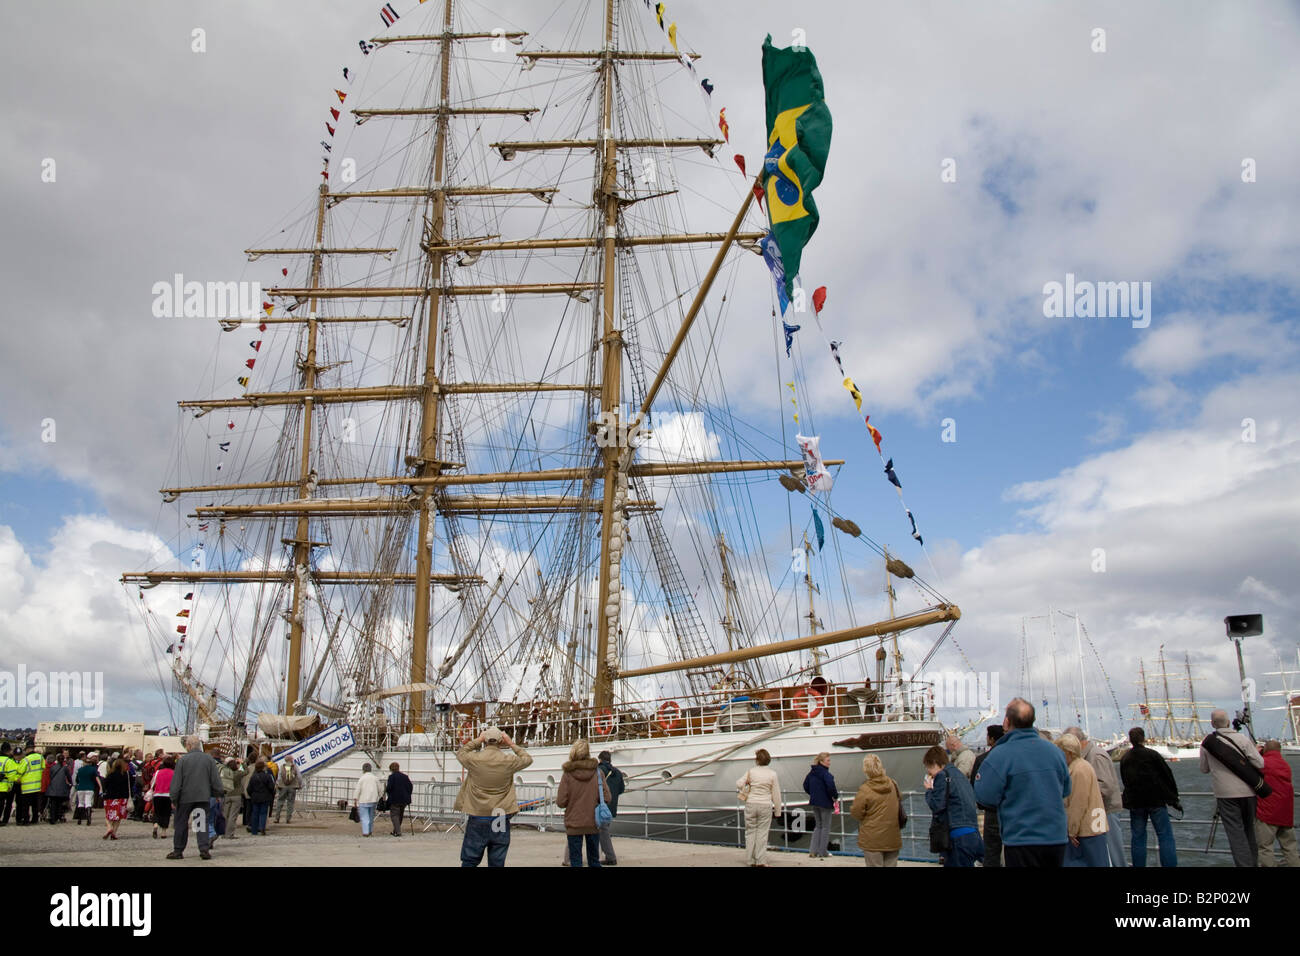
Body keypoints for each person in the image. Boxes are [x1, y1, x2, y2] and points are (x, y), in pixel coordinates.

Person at [973, 698, 1071, 867]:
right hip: (1056, 838)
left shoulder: (1000, 755)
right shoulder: (1055, 752)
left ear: (1007, 722)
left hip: (1021, 839)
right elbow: (1066, 789)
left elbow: (984, 796)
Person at [453, 726, 533, 867]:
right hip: (500, 816)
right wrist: (511, 744)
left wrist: (478, 740)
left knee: (470, 859)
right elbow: (527, 759)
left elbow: (461, 753)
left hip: (478, 814)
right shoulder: (509, 761)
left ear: (485, 741)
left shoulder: (474, 759)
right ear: (501, 742)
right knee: (497, 860)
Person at [1200, 709, 1265, 867]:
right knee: (1250, 831)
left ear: (1212, 724)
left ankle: (1243, 865)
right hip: (1248, 791)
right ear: (1228, 722)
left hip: (1225, 794)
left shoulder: (1207, 743)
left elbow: (1204, 769)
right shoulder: (1242, 739)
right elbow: (1260, 763)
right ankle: (1253, 863)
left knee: (1235, 834)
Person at [1119, 726, 1180, 867]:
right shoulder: (1152, 755)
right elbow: (1167, 775)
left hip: (1135, 802)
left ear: (1130, 740)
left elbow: (1125, 779)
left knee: (1138, 837)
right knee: (1165, 836)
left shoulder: (1125, 758)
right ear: (1143, 738)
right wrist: (1173, 798)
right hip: (1156, 801)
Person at [1067, 726, 1125, 867]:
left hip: (1106, 811)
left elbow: (1106, 785)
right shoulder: (1084, 758)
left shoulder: (1096, 756)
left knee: (1113, 851)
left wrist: (1083, 794)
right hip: (1096, 812)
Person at [924, 745, 983, 866]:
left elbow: (937, 805)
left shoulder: (942, 775)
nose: (928, 772)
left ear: (935, 763)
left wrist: (929, 790)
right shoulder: (959, 775)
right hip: (972, 833)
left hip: (958, 836)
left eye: (928, 767)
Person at [166, 735, 224, 861]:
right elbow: (215, 779)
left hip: (185, 797)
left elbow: (176, 782)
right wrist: (218, 794)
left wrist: (173, 798)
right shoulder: (208, 759)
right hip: (203, 796)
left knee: (181, 823)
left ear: (189, 746)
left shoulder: (183, 760)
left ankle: (178, 850)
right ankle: (204, 849)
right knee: (201, 823)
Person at [1057, 733, 1109, 866]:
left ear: (1068, 752)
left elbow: (1078, 803)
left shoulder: (1078, 770)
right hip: (1094, 826)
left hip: (1087, 830)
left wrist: (1072, 830)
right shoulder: (1083, 766)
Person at [555, 739, 603, 867]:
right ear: (588, 752)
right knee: (594, 860)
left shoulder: (568, 774)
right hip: (593, 821)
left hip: (574, 822)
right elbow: (607, 797)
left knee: (575, 860)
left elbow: (561, 801)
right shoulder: (598, 773)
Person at [849, 753, 903, 866]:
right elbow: (899, 800)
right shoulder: (893, 784)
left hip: (872, 838)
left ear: (866, 769)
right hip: (892, 835)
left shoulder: (865, 789)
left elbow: (856, 812)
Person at [737, 748, 783, 867]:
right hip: (765, 805)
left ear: (757, 760)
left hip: (751, 803)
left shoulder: (751, 772)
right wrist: (778, 811)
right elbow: (776, 794)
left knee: (750, 831)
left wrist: (747, 784)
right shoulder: (772, 774)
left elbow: (738, 783)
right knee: (762, 833)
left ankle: (750, 860)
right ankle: (761, 861)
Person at [1255, 740, 1298, 867]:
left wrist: (1257, 754)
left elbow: (1251, 768)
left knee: (1265, 848)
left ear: (1266, 750)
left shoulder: (1264, 763)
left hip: (1267, 813)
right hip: (1285, 814)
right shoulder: (1286, 765)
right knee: (1290, 848)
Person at [969, 725, 1004, 866]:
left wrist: (982, 804)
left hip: (992, 810)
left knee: (991, 850)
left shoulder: (983, 759)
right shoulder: (1013, 757)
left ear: (991, 739)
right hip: (1013, 809)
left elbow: (975, 786)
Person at [802, 752, 839, 859]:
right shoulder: (826, 774)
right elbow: (831, 787)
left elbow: (805, 785)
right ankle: (823, 852)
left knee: (818, 826)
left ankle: (813, 851)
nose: (829, 763)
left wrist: (813, 794)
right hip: (825, 803)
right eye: (828, 760)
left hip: (815, 802)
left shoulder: (811, 773)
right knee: (825, 827)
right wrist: (835, 797)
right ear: (821, 762)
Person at [596, 751, 625, 865]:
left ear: (600, 759)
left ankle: (610, 857)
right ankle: (604, 855)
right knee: (604, 830)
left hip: (600, 806)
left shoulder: (599, 770)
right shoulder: (617, 772)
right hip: (611, 806)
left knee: (602, 832)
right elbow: (621, 789)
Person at [14, 743, 46, 826]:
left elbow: (20, 771)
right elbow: (43, 768)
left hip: (27, 787)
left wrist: (16, 778)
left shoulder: (26, 760)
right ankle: (35, 819)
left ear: (27, 749)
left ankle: (26, 820)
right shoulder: (40, 757)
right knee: (35, 805)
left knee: (26, 806)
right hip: (37, 786)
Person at [102, 757, 131, 841]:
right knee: (118, 817)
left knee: (108, 815)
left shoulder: (110, 774)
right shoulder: (126, 775)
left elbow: (105, 785)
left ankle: (109, 827)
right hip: (122, 798)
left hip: (110, 797)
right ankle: (114, 833)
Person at [246, 760, 276, 835]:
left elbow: (249, 788)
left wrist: (251, 794)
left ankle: (254, 830)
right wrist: (270, 794)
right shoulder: (267, 776)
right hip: (265, 796)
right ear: (263, 768)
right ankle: (262, 827)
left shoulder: (253, 777)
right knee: (263, 813)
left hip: (255, 797)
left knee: (255, 813)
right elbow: (271, 787)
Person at [385, 762, 413, 836]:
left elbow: (389, 788)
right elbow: (410, 787)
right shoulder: (405, 776)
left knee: (394, 815)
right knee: (400, 815)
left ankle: (398, 831)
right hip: (404, 799)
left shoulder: (391, 777)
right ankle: (396, 830)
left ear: (391, 769)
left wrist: (387, 792)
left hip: (395, 799)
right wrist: (408, 794)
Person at [151, 756, 175, 840]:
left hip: (157, 794)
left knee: (157, 811)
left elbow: (152, 783)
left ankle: (155, 824)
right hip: (168, 795)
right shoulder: (174, 773)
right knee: (166, 813)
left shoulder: (158, 772)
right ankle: (163, 832)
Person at [44, 753, 72, 824]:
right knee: (59, 803)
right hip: (61, 788)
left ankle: (53, 818)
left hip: (53, 788)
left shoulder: (53, 767)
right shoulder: (65, 768)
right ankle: (58, 816)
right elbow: (69, 777)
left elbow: (50, 776)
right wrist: (70, 783)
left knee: (53, 804)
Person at [74, 753, 100, 826]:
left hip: (81, 788)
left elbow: (77, 780)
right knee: (88, 803)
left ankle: (79, 819)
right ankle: (89, 818)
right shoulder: (93, 769)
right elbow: (95, 779)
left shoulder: (80, 770)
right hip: (90, 788)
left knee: (80, 803)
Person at [274, 757, 301, 824]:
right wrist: (300, 784)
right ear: (291, 760)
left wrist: (278, 783)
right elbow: (299, 776)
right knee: (290, 802)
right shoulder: (295, 767)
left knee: (280, 801)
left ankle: (277, 818)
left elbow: (279, 776)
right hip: (292, 786)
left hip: (283, 786)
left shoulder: (282, 767)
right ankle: (288, 818)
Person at [0, 743, 17, 826]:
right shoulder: (9, 761)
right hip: (4, 787)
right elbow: (12, 775)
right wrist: (10, 785)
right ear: (9, 751)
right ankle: (4, 820)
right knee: (6, 804)